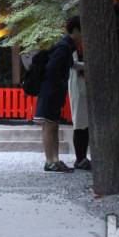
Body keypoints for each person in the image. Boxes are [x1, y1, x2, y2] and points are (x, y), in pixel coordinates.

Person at [34, 16, 82, 173]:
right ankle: (50, 161)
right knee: (49, 126)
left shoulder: (66, 46)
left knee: (53, 126)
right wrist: (60, 84)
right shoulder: (64, 47)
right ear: (75, 30)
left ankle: (55, 159)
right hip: (51, 91)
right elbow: (51, 69)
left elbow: (70, 65)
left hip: (53, 91)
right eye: (82, 31)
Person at [68, 42, 90, 170]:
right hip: (77, 85)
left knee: (84, 124)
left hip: (83, 85)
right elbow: (74, 64)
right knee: (79, 123)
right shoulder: (72, 46)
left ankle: (83, 157)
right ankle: (79, 158)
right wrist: (90, 65)